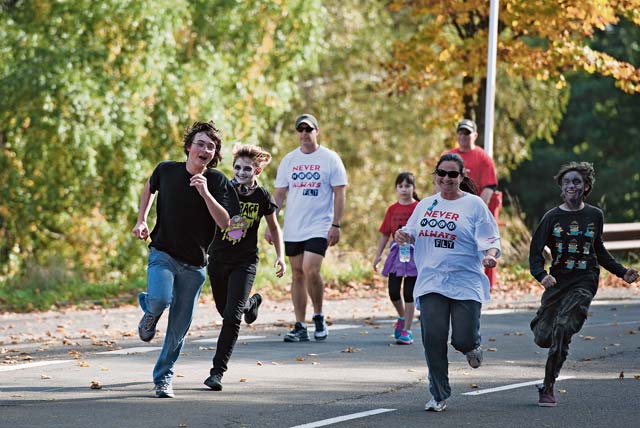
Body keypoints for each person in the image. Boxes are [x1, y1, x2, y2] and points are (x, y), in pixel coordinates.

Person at [131, 121, 240, 399]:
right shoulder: (166, 170)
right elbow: (149, 187)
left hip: (195, 265)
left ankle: (163, 378)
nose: (204, 149)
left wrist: (205, 193)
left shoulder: (217, 182)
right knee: (159, 299)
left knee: (178, 329)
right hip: (163, 253)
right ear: (189, 147)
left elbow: (226, 223)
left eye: (210, 147)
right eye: (200, 143)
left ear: (213, 155)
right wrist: (141, 219)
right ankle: (150, 311)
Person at [395, 153, 501, 412]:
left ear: (462, 177)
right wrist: (404, 235)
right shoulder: (426, 205)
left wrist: (489, 256)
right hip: (432, 280)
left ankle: (471, 346)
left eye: (452, 174)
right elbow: (413, 230)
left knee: (462, 339)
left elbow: (492, 240)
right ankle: (439, 394)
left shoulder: (474, 205)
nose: (446, 178)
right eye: (441, 173)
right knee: (433, 337)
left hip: (465, 281)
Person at [529, 161, 638, 407]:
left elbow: (598, 250)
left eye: (576, 181)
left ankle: (548, 386)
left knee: (563, 328)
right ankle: (542, 323)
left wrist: (622, 272)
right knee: (543, 337)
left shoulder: (594, 215)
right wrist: (541, 275)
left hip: (585, 280)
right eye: (566, 182)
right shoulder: (552, 217)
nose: (571, 186)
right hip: (557, 283)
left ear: (586, 186)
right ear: (561, 187)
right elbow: (535, 252)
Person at [203, 143, 286, 391]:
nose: (241, 172)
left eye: (247, 169)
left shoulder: (262, 196)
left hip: (245, 261)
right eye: (238, 167)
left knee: (231, 317)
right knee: (225, 310)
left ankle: (217, 372)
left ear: (257, 171)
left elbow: (273, 228)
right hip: (218, 258)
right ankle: (252, 303)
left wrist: (280, 256)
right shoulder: (224, 190)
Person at [267, 113, 348, 342]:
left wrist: (336, 224)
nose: (304, 134)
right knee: (297, 273)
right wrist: (272, 223)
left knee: (311, 268)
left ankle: (319, 316)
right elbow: (279, 195)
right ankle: (300, 325)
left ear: (316, 131)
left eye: (308, 129)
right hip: (294, 225)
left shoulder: (330, 158)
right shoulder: (289, 160)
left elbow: (340, 193)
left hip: (320, 224)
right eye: (300, 130)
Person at [445, 119, 501, 286]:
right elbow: (440, 182)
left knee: (482, 244)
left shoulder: (483, 158)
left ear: (475, 135)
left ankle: (484, 283)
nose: (463, 136)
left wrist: (475, 209)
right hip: (452, 208)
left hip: (474, 209)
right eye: (461, 133)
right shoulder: (450, 156)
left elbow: (489, 187)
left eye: (467, 133)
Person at [373, 172, 420, 345]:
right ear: (396, 188)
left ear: (413, 188)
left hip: (415, 255)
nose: (404, 189)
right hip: (397, 255)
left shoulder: (419, 207)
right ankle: (401, 316)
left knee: (409, 293)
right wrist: (378, 255)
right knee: (393, 291)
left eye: (408, 185)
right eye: (400, 186)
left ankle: (407, 330)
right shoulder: (392, 209)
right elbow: (385, 233)